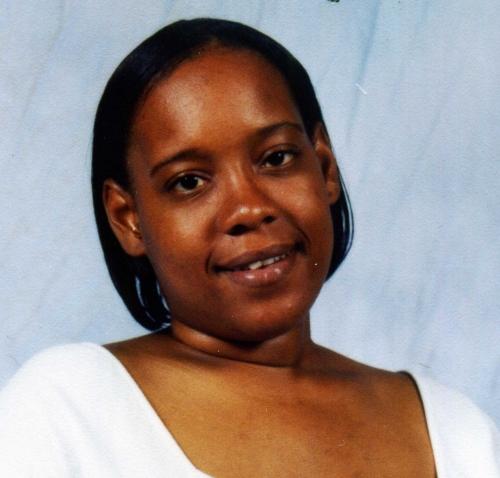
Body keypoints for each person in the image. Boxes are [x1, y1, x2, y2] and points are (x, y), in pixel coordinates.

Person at [0, 18, 498, 477]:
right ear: (128, 219)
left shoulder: (456, 431)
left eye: (277, 158)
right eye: (189, 182)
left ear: (324, 169)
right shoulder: (67, 409)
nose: (249, 208)